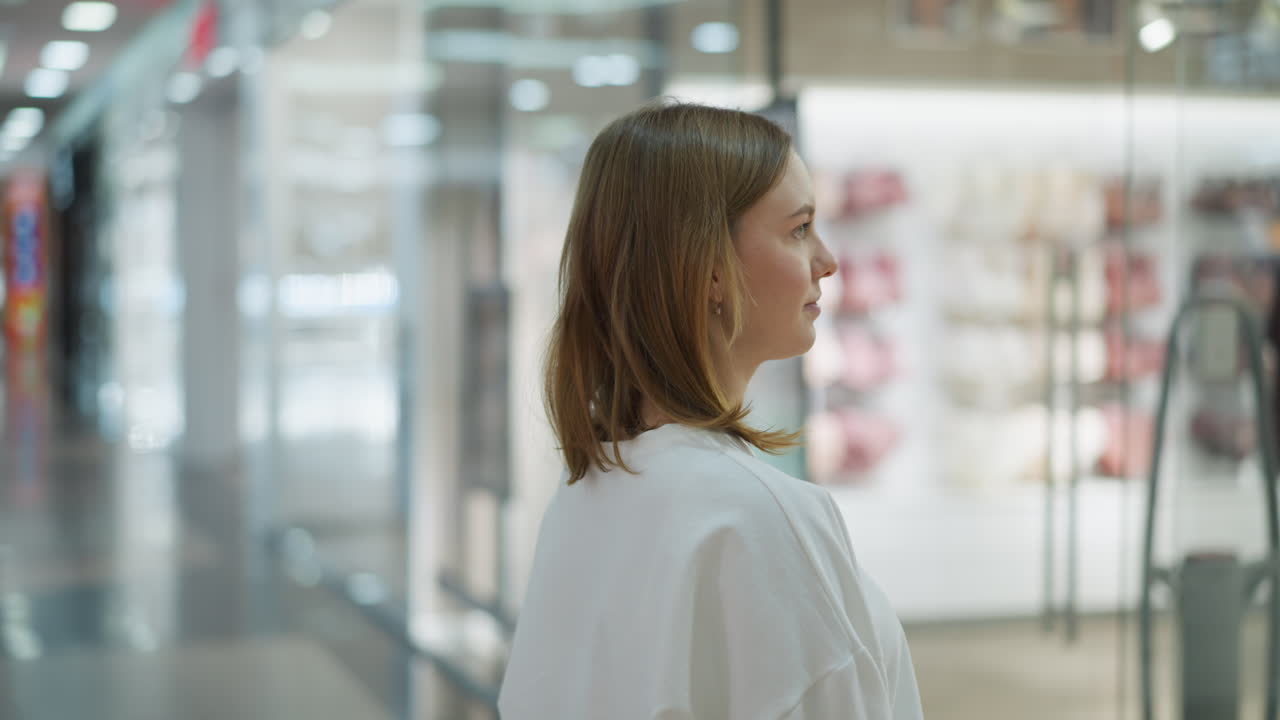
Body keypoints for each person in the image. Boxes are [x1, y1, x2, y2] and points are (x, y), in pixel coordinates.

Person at [498, 100, 924, 720]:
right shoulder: (758, 515)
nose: (828, 261)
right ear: (711, 271)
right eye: (798, 229)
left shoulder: (588, 494)